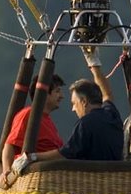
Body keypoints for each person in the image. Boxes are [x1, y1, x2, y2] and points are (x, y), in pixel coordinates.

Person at [11, 49, 123, 177]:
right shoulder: (112, 114)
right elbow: (107, 94)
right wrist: (94, 63)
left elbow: (64, 154)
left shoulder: (85, 123)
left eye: (74, 104)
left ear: (84, 102)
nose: (73, 109)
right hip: (115, 179)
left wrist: (31, 157)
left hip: (92, 183)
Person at [0, 74, 65, 186]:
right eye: (57, 91)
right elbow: (10, 145)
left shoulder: (49, 121)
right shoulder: (28, 115)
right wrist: (6, 171)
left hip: (53, 179)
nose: (62, 96)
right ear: (45, 94)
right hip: (37, 181)